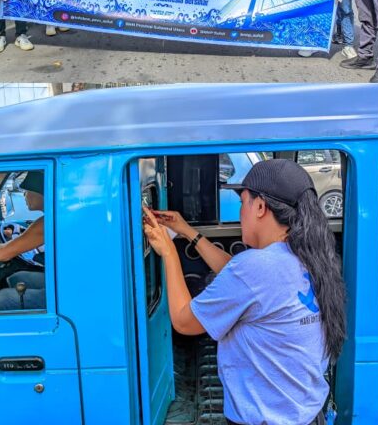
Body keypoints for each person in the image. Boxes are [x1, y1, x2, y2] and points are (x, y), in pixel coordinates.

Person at [143, 158, 345, 425]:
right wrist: (186, 231)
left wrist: (168, 252)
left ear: (260, 206)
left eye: (243, 203)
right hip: (305, 413)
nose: (241, 212)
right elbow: (237, 277)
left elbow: (183, 321)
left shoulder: (256, 268)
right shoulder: (308, 256)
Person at [0, 171, 46, 311]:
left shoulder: (46, 223)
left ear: (41, 192)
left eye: (27, 190)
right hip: (69, 281)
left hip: (68, 293)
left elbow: (3, 254)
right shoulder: (47, 219)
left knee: (4, 298)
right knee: (17, 278)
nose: (24, 195)